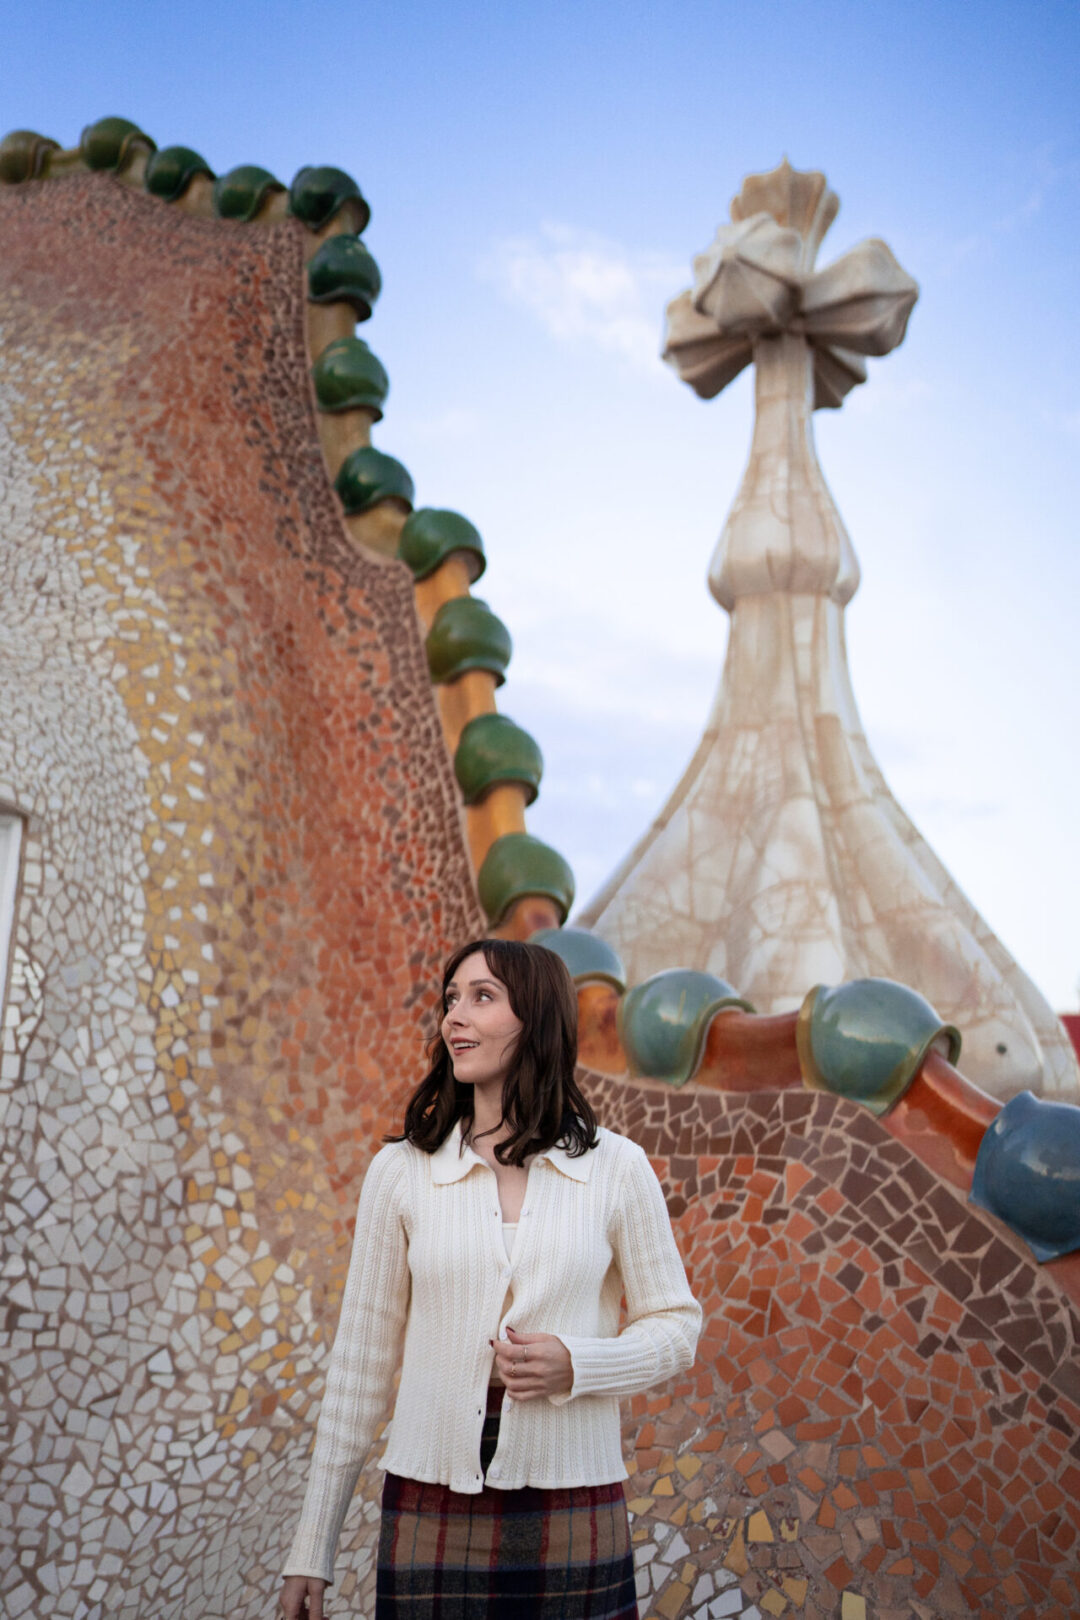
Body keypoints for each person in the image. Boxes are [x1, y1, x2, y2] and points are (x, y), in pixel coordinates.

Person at [279, 936, 702, 1619]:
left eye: (482, 998)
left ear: (534, 1021)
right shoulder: (402, 1173)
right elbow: (358, 1367)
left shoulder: (616, 1169)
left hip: (573, 1501)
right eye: (451, 1000)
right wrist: (312, 1547)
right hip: (429, 1505)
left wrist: (579, 1365)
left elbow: (677, 1329)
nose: (455, 1018)